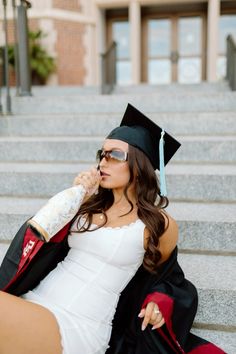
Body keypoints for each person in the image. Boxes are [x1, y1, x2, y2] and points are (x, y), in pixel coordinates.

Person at [0, 104, 225, 354]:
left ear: (140, 166)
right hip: (34, 303)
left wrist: (158, 301)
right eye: (102, 154)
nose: (103, 162)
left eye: (114, 155)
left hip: (76, 325)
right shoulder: (86, 205)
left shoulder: (157, 224)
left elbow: (166, 277)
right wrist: (76, 198)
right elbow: (38, 244)